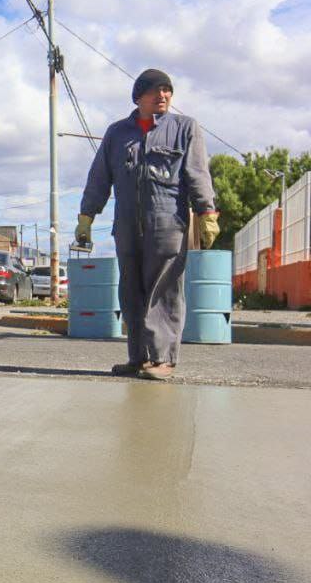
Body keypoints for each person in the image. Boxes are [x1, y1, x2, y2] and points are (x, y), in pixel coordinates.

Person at [76, 69, 219, 380]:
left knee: (163, 290)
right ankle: (138, 357)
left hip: (167, 223)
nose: (163, 96)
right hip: (127, 225)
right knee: (131, 291)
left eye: (167, 90)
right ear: (138, 96)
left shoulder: (185, 128)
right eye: (156, 90)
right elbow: (100, 177)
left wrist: (207, 213)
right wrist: (87, 216)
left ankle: (163, 359)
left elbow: (197, 173)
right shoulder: (117, 133)